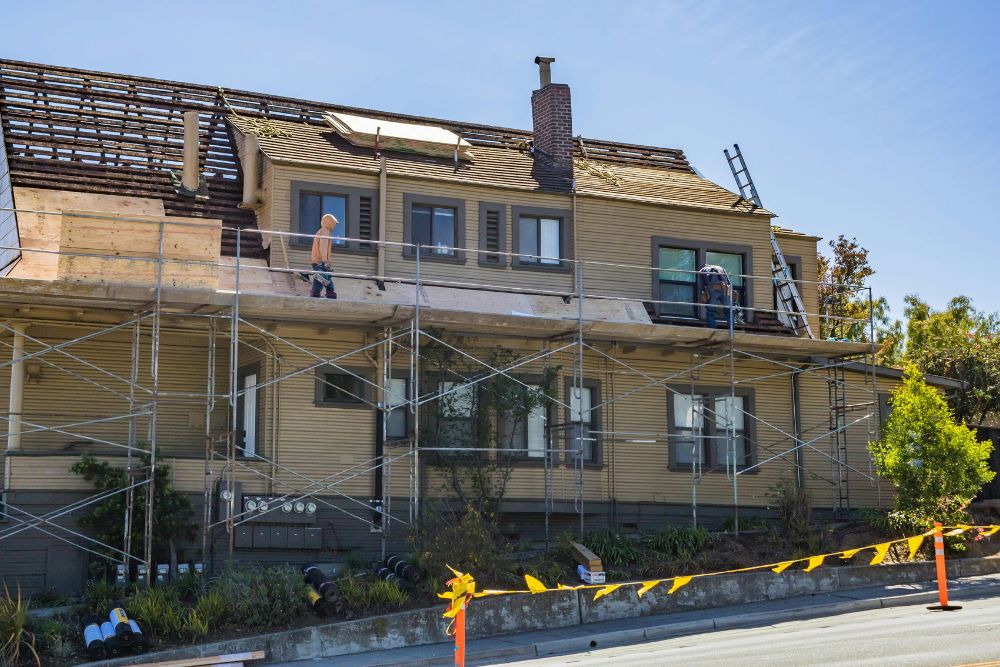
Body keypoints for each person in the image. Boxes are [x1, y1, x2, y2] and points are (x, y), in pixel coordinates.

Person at [309, 214, 338, 299]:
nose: (334, 226)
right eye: (334, 224)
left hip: (317, 261)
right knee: (324, 278)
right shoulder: (325, 231)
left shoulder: (320, 231)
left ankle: (316, 292)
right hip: (320, 262)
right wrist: (325, 261)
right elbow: (323, 247)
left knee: (320, 278)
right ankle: (328, 293)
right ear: (329, 223)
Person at [699, 264, 733, 329]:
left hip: (712, 289)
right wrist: (729, 291)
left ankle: (713, 328)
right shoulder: (720, 268)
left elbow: (701, 284)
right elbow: (728, 281)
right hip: (724, 288)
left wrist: (702, 294)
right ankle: (731, 328)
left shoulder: (702, 270)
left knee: (710, 311)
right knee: (729, 310)